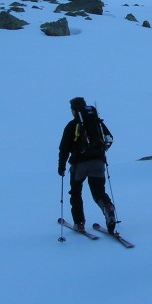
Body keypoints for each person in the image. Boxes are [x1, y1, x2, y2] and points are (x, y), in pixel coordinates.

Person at [58, 97, 117, 233]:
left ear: (74, 110)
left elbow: (64, 149)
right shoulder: (98, 123)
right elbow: (109, 139)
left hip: (79, 165)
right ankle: (107, 208)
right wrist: (100, 152)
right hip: (98, 163)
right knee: (98, 192)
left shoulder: (72, 125)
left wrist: (61, 167)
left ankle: (79, 223)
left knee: (76, 193)